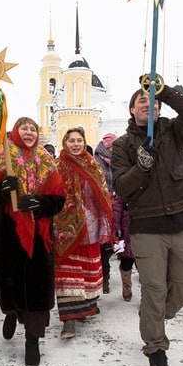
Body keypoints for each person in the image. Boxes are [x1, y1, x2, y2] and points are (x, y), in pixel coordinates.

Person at [111, 84, 183, 366]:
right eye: (141, 100)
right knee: (154, 286)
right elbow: (123, 187)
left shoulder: (174, 132)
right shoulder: (123, 145)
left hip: (178, 219)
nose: (147, 104)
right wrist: (142, 166)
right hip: (147, 225)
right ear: (132, 109)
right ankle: (156, 350)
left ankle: (154, 315)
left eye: (152, 101)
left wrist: (162, 91)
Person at [0, 117, 65, 366]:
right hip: (8, 234)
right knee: (11, 284)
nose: (29, 132)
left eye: (33, 128)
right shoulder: (2, 156)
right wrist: (3, 189)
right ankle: (12, 313)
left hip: (40, 235)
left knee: (37, 288)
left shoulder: (46, 159)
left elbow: (58, 198)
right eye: (24, 128)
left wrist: (41, 205)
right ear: (15, 132)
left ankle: (32, 340)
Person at [52, 127, 113, 339]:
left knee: (87, 271)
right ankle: (68, 321)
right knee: (67, 273)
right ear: (64, 143)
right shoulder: (58, 167)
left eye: (79, 140)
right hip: (65, 228)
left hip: (91, 226)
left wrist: (105, 226)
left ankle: (84, 308)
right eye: (72, 141)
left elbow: (103, 195)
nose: (76, 144)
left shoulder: (93, 166)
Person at [94, 132, 118, 294]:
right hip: (99, 206)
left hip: (116, 204)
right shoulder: (96, 161)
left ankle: (106, 275)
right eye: (114, 146)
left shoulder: (117, 161)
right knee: (102, 244)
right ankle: (103, 277)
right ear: (108, 146)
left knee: (110, 244)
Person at [112, 193, 136, 302]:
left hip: (147, 226)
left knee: (146, 264)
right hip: (128, 227)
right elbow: (117, 207)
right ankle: (127, 287)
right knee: (127, 260)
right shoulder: (125, 186)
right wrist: (117, 227)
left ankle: (147, 294)